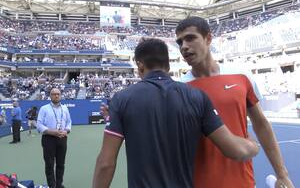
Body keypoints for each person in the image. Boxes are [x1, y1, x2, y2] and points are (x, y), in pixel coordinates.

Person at [92, 38, 259, 188]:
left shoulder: (122, 99)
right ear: (168, 65)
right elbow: (235, 150)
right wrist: (253, 145)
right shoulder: (197, 96)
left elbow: (106, 163)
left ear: (140, 65)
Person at [175, 16, 294, 188]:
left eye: (190, 38)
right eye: (179, 42)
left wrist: (282, 174)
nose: (184, 46)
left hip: (243, 182)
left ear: (208, 38)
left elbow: (261, 124)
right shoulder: (178, 88)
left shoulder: (241, 76)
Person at [37, 88, 72, 188]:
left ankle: (59, 185)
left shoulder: (65, 108)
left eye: (58, 94)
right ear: (50, 96)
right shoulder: (44, 108)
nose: (56, 96)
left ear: (60, 95)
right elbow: (39, 124)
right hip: (48, 139)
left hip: (62, 138)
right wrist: (51, 132)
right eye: (54, 94)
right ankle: (52, 186)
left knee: (61, 164)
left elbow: (69, 122)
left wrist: (66, 131)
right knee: (49, 164)